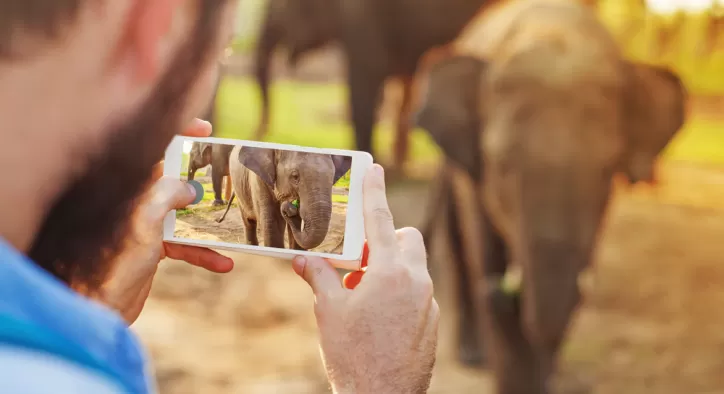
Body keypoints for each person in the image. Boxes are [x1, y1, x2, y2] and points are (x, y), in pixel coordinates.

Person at [0, 1, 439, 393]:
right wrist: (380, 383)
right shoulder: (65, 376)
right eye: (223, 51)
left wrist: (88, 317)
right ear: (157, 24)